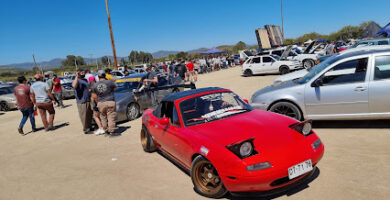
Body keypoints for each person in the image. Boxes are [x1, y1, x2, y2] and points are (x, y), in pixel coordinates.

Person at [92, 70, 117, 135]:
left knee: (103, 117)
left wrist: (98, 103)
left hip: (101, 102)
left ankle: (105, 129)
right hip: (110, 101)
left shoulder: (95, 85)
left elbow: (94, 96)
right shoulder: (110, 82)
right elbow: (115, 88)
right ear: (105, 75)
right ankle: (111, 131)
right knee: (111, 116)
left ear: (98, 76)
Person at [72, 68, 93, 134]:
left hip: (88, 99)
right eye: (81, 72)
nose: (83, 73)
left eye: (83, 72)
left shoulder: (85, 79)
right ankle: (86, 129)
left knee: (89, 115)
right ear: (78, 73)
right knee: (84, 115)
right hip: (82, 101)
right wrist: (76, 76)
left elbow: (87, 88)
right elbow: (74, 86)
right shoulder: (77, 80)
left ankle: (89, 126)